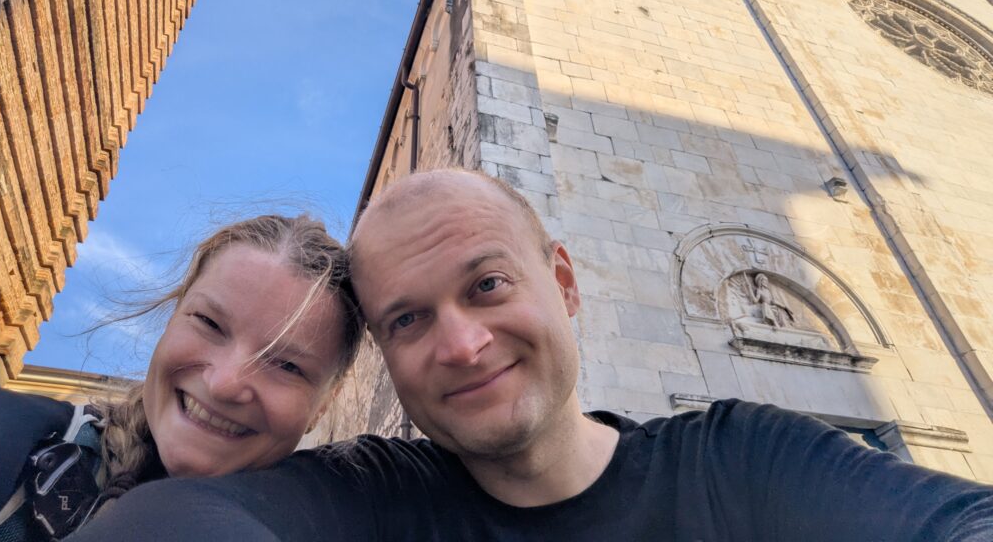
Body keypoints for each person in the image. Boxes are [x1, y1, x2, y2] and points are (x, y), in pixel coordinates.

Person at [64, 170, 993, 541]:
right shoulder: (383, 497)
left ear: (565, 282)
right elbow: (192, 517)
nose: (463, 344)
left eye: (487, 285)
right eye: (408, 320)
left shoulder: (743, 461)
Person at [0, 214, 364, 542]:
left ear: (324, 404)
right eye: (209, 322)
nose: (224, 384)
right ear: (172, 318)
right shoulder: (2, 435)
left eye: (287, 366)